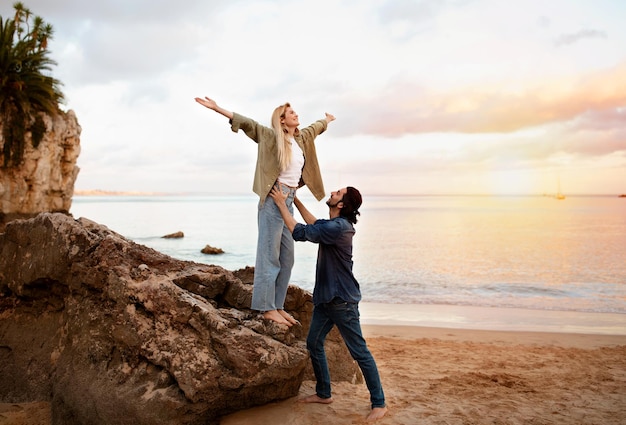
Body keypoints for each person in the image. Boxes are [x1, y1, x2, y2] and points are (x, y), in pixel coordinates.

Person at [194, 96, 335, 326]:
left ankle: (278, 305)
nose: (296, 115)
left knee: (287, 258)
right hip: (273, 200)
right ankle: (266, 308)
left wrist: (327, 120)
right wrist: (218, 108)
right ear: (281, 120)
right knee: (269, 256)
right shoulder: (270, 137)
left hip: (288, 200)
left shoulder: (301, 139)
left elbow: (316, 128)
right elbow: (249, 124)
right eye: (291, 113)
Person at [269, 185, 388, 422]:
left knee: (360, 353)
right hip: (325, 299)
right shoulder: (333, 225)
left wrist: (282, 204)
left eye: (338, 193)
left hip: (342, 301)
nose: (332, 192)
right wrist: (297, 201)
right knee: (314, 343)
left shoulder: (339, 228)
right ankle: (324, 393)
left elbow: (300, 232)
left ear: (341, 204)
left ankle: (379, 403)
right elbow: (314, 224)